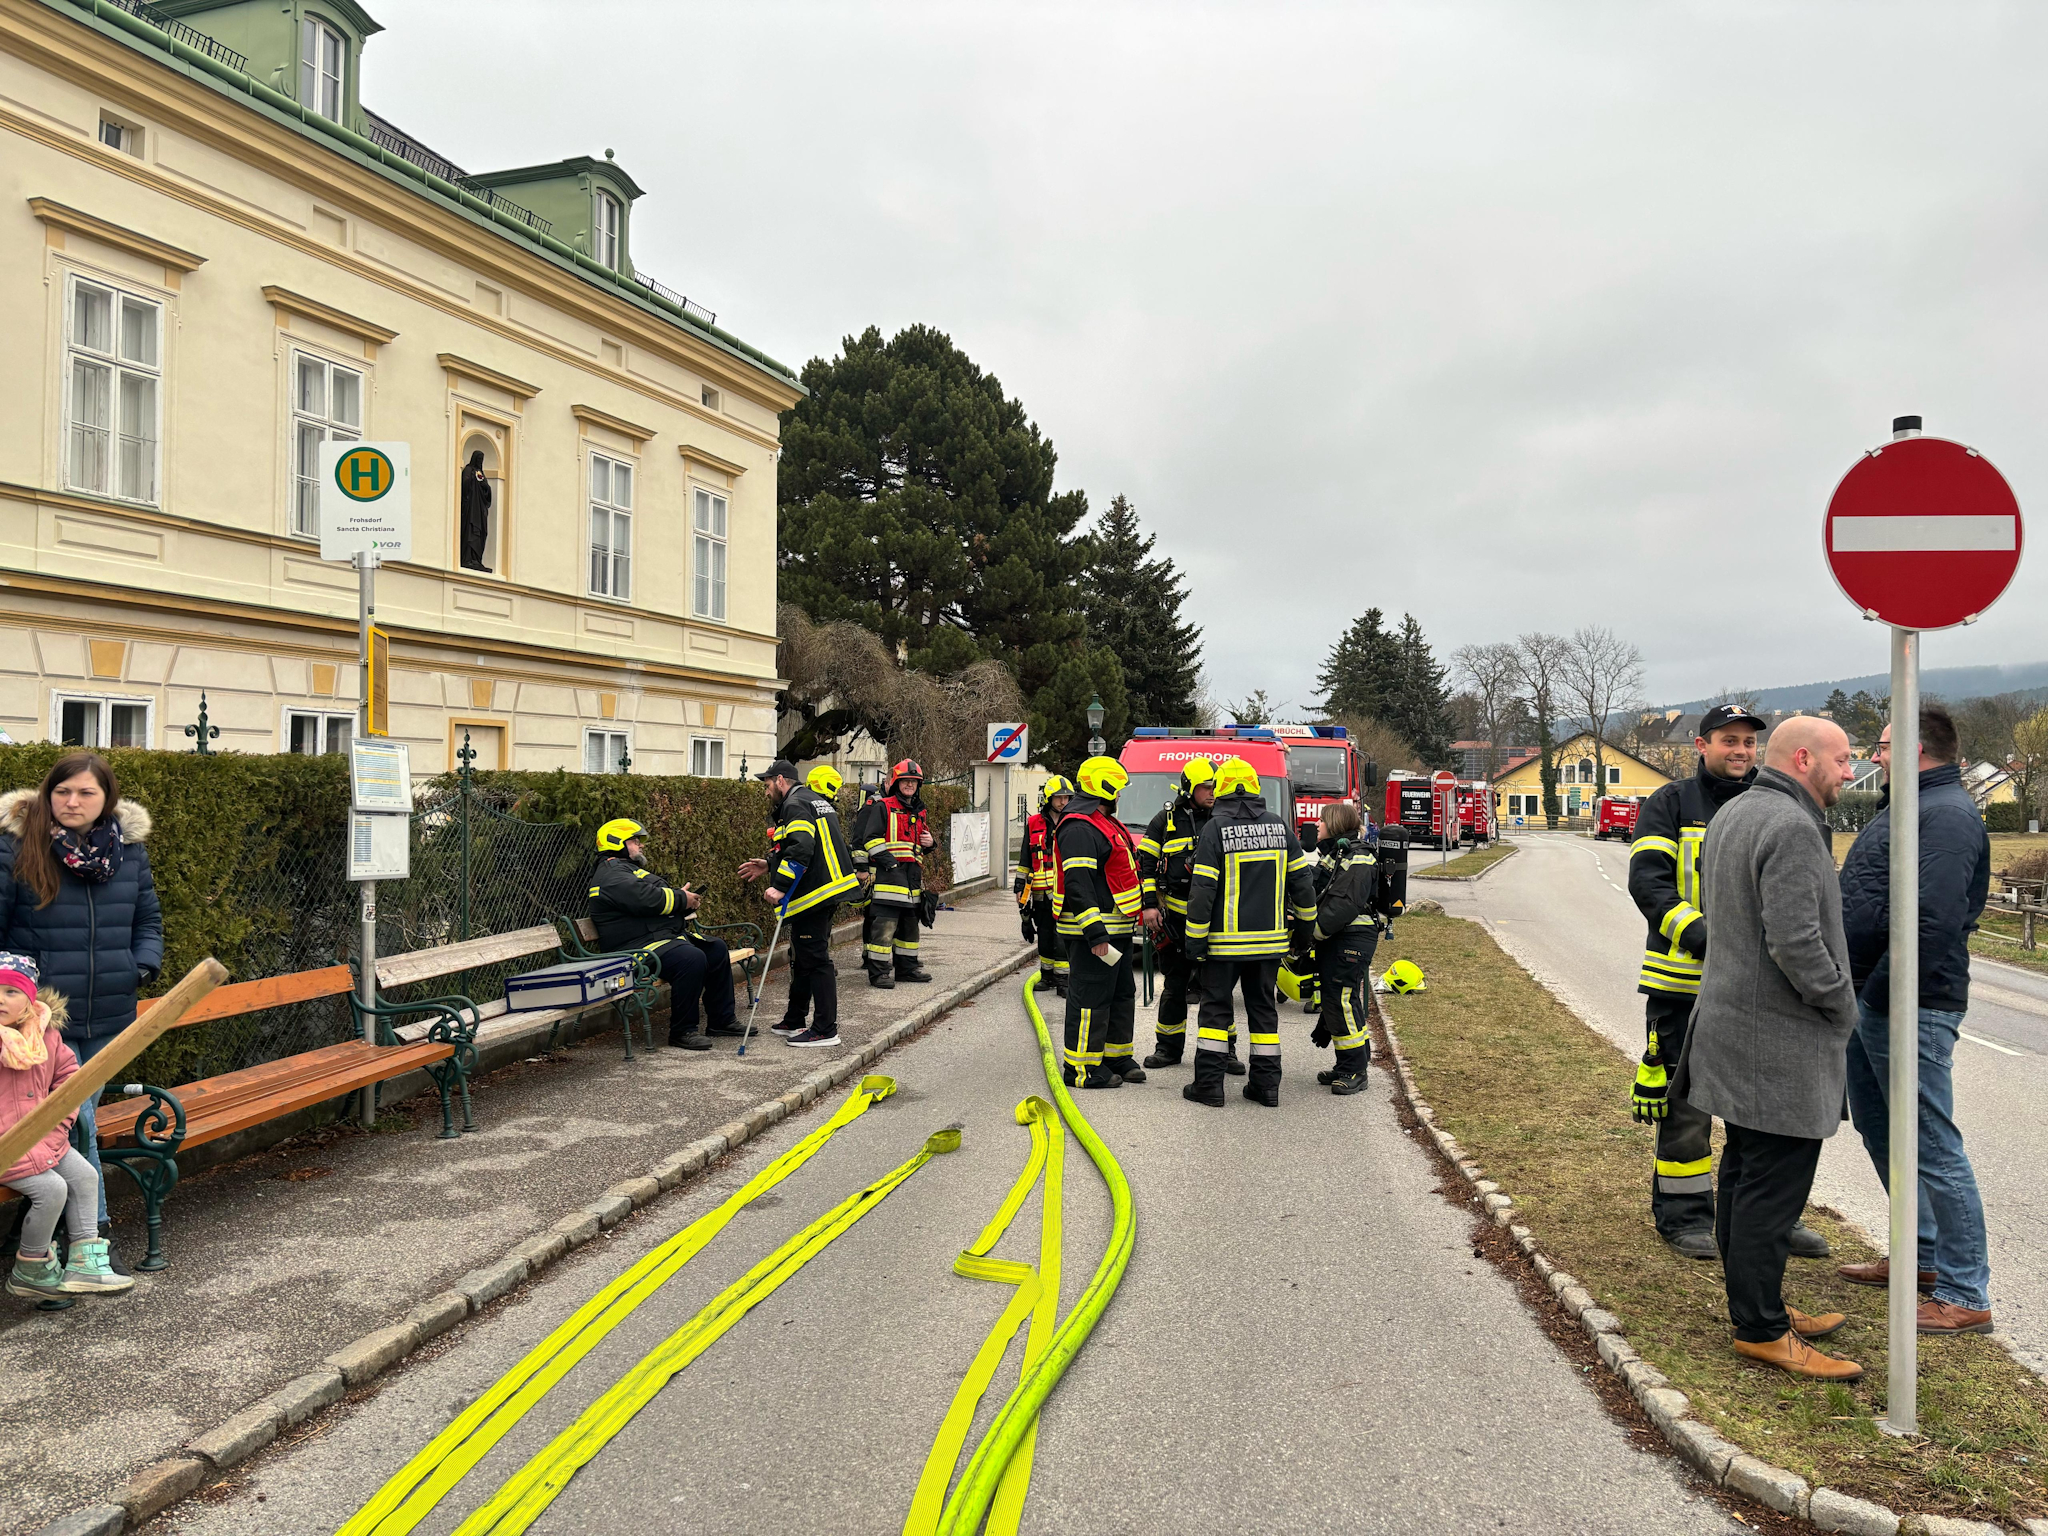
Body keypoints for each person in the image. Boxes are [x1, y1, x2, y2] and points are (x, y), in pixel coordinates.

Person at [1676, 716, 1863, 1381]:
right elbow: (1795, 942)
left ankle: (1758, 1305)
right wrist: (1842, 1004)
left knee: (1743, 1175)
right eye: (1843, 759)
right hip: (1777, 1043)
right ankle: (1759, 1328)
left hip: (1732, 1030)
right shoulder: (1789, 826)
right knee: (1771, 1191)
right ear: (1805, 758)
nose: (1850, 771)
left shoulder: (1737, 811)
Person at [1628, 703, 1829, 1263]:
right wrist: (1708, 940)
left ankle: (1763, 1216)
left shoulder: (1773, 804)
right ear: (1701, 745)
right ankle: (1685, 1215)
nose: (1741, 751)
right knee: (1686, 1107)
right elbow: (1649, 885)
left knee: (1760, 1110)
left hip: (1756, 990)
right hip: (1682, 985)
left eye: (1748, 742)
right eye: (1729, 741)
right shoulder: (1671, 804)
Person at [1837, 704, 1993, 1334]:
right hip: (1875, 1000)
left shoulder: (1948, 816)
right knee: (1883, 1131)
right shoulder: (1911, 807)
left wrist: (1876, 995)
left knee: (1930, 1144)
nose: (1874, 757)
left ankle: (1965, 1291)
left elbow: (1932, 923)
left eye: (1881, 746)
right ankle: (1921, 1259)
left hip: (1911, 1004)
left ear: (1915, 749)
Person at [0, 752, 162, 1266]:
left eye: (86, 792)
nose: (73, 802)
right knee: (77, 1124)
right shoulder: (16, 848)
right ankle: (86, 1246)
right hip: (42, 1019)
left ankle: (53, 1247)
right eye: (63, 791)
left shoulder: (128, 854)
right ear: (48, 796)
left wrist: (139, 967)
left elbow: (148, 920)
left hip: (111, 1013)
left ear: (106, 800)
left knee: (73, 1124)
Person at [1182, 757, 1318, 1109]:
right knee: (1263, 1010)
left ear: (1222, 788)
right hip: (1269, 945)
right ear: (1255, 788)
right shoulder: (1279, 827)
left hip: (1222, 945)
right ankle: (1266, 1086)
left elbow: (1202, 892)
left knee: (1215, 1011)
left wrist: (1194, 943)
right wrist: (1303, 935)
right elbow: (1303, 887)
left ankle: (1209, 1087)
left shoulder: (1215, 829)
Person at [3, 956, 131, 1298]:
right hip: (6, 1147)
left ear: (30, 1001)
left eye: (11, 991)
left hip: (46, 1138)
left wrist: (58, 1125)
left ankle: (85, 1263)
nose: (1, 998)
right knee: (51, 1190)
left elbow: (69, 1080)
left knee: (85, 1176)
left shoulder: (46, 1036)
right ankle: (29, 1267)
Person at [587, 819, 740, 1051]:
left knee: (715, 949)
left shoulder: (626, 869)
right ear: (616, 842)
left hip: (657, 939)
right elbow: (647, 898)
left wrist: (683, 902)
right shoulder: (611, 875)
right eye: (635, 840)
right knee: (692, 958)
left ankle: (721, 1020)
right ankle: (682, 1031)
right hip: (634, 949)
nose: (641, 845)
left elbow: (656, 893)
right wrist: (680, 899)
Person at [738, 762, 862, 1048]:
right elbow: (807, 846)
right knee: (803, 956)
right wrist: (769, 863)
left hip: (816, 893)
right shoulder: (811, 800)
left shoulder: (794, 804)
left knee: (816, 960)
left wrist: (779, 886)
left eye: (767, 784)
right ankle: (795, 1019)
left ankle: (825, 1029)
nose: (767, 791)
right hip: (826, 889)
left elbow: (801, 848)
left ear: (781, 780)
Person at [1053, 756, 1145, 1089]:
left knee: (1121, 992)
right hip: (1095, 934)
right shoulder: (1079, 826)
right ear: (1103, 787)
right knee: (1091, 997)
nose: (1120, 796)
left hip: (1115, 931)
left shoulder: (1101, 820)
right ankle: (1081, 1069)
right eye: (1117, 790)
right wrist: (1095, 933)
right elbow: (1078, 884)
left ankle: (1115, 1056)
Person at [1137, 758, 1219, 1070]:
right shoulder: (1165, 820)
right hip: (1174, 919)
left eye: (1214, 786)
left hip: (1214, 921)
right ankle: (1168, 1049)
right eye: (1205, 787)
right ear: (1189, 788)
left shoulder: (1221, 817)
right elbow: (1146, 864)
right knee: (1174, 986)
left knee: (1217, 988)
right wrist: (1148, 905)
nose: (1211, 792)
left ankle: (1225, 1052)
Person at [1308, 800, 1378, 1096]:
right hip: (1339, 938)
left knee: (1342, 1000)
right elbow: (1315, 888)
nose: (1317, 827)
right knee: (1343, 1000)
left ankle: (1355, 1070)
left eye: (1322, 822)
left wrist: (1313, 933)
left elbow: (1343, 905)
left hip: (1352, 938)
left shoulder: (1358, 857)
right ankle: (1348, 1063)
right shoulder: (1337, 854)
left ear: (1334, 824)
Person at [853, 760, 935, 988]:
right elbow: (870, 839)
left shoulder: (919, 810)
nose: (910, 785)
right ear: (897, 782)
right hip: (890, 880)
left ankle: (907, 970)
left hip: (912, 881)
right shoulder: (883, 806)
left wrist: (931, 843)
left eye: (914, 781)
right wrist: (890, 864)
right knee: (884, 929)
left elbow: (919, 842)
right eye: (906, 781)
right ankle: (879, 974)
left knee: (909, 928)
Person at [1015, 776, 1072, 996]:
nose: (1063, 802)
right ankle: (1047, 976)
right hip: (1040, 892)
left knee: (1062, 937)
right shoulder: (1034, 823)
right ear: (1049, 799)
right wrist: (1020, 889)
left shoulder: (1074, 821)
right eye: (1059, 798)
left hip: (1065, 891)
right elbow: (1025, 859)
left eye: (1067, 797)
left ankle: (1063, 980)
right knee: (1045, 936)